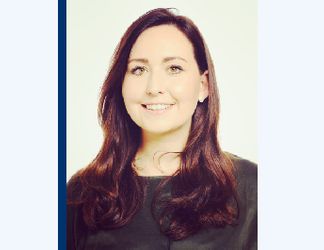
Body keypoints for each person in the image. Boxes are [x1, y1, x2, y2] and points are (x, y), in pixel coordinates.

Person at [67, 8, 257, 250]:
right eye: (138, 69)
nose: (154, 87)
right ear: (121, 84)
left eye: (174, 68)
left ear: (203, 86)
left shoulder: (253, 187)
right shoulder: (82, 193)